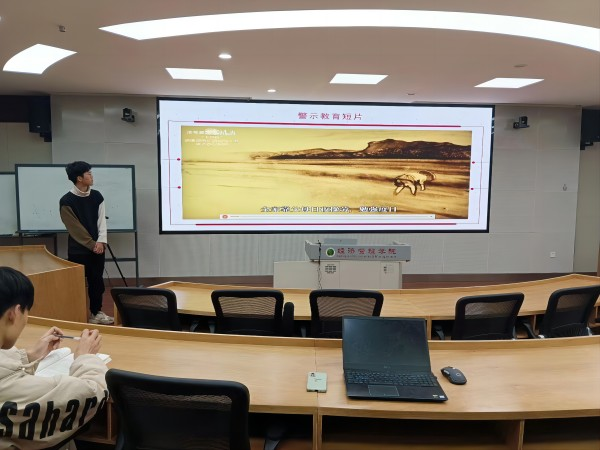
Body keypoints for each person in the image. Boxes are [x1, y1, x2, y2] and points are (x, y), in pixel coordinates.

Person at [0, 266, 109, 450]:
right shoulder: (11, 386)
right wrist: (85, 357)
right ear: (15, 313)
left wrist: (29, 356)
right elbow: (93, 392)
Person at [60, 161, 113, 325]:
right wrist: (92, 244)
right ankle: (76, 315)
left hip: (98, 248)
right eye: (88, 173)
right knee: (77, 284)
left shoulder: (97, 196)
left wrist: (101, 241)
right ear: (79, 178)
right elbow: (74, 228)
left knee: (97, 282)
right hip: (78, 250)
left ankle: (96, 313)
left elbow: (101, 221)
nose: (91, 176)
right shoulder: (66, 201)